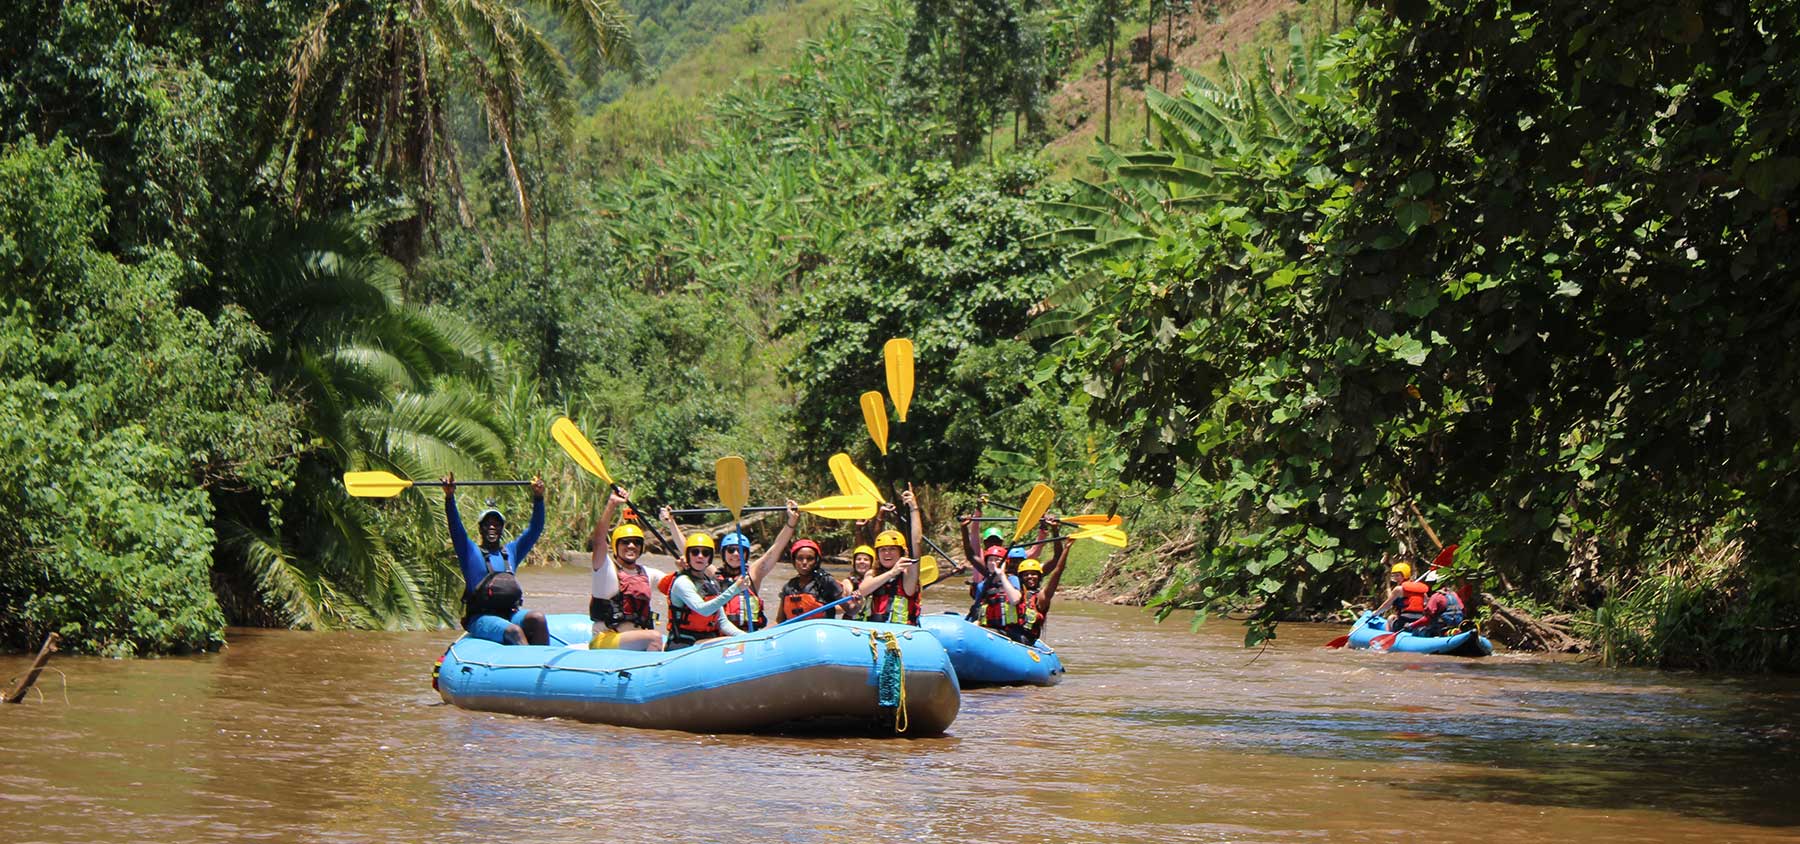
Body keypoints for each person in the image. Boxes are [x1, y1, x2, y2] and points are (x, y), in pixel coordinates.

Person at [443, 472, 549, 646]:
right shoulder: (470, 552)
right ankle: (529, 667)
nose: (492, 527)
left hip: (510, 614)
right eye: (487, 523)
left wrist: (538, 497)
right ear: (480, 528)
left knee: (538, 619)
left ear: (502, 528)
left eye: (496, 523)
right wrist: (449, 498)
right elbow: (456, 528)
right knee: (514, 631)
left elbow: (535, 530)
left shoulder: (511, 552)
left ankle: (544, 666)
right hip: (481, 618)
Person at [587, 488, 666, 651]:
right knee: (655, 637)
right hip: (605, 639)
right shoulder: (605, 569)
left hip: (634, 639)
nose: (631, 546)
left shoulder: (647, 573)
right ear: (616, 546)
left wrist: (685, 566)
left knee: (656, 637)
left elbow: (676, 584)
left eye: (636, 542)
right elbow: (598, 541)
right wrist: (612, 504)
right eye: (625, 542)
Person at [711, 501, 800, 633]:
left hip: (750, 635)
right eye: (731, 550)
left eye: (741, 550)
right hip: (723, 636)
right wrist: (671, 523)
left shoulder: (753, 574)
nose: (736, 554)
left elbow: (776, 548)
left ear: (746, 554)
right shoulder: (714, 574)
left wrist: (791, 522)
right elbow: (691, 553)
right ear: (723, 554)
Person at [665, 532, 749, 650]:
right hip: (684, 643)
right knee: (728, 641)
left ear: (710, 558)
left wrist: (747, 637)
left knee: (735, 641)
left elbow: (722, 622)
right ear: (688, 555)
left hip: (707, 639)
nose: (700, 556)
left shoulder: (711, 583)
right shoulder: (683, 582)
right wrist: (736, 589)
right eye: (695, 552)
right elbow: (703, 610)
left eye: (705, 553)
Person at [1017, 521, 1072, 644]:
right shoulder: (1015, 591)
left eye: (1034, 574)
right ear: (1021, 577)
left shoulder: (1042, 596)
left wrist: (1066, 547)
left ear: (1040, 576)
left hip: (1026, 639)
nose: (1030, 577)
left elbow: (1057, 570)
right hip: (1011, 634)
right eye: (1026, 574)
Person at [776, 538, 847, 622]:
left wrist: (857, 600)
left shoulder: (827, 582)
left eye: (810, 558)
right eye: (800, 558)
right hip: (797, 632)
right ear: (794, 561)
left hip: (822, 631)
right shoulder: (788, 587)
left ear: (816, 561)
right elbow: (779, 620)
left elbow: (851, 610)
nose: (804, 562)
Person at [968, 544, 1025, 641]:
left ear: (1004, 563)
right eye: (990, 560)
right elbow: (977, 609)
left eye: (997, 559)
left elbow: (1015, 600)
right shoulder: (983, 585)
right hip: (989, 629)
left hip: (1010, 631)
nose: (993, 563)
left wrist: (1001, 575)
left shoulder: (1012, 579)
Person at [1371, 560, 1428, 634]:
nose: (1395, 578)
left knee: (1390, 618)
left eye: (1397, 575)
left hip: (1404, 622)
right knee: (1395, 617)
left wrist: (1376, 613)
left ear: (1405, 575)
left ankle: (1389, 638)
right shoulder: (1420, 589)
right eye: (1394, 575)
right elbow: (1427, 603)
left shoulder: (1398, 589)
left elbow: (1387, 605)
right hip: (1419, 621)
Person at [1408, 570, 1467, 636]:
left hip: (1439, 629)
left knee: (1417, 630)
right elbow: (1463, 610)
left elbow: (1427, 619)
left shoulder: (1435, 597)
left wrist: (1411, 625)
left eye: (1429, 583)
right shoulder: (1454, 594)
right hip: (1456, 626)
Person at [838, 543, 876, 620]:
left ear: (872, 563)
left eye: (866, 559)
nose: (862, 562)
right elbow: (840, 607)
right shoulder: (847, 582)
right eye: (858, 559)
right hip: (852, 620)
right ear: (854, 562)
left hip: (870, 621)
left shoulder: (877, 581)